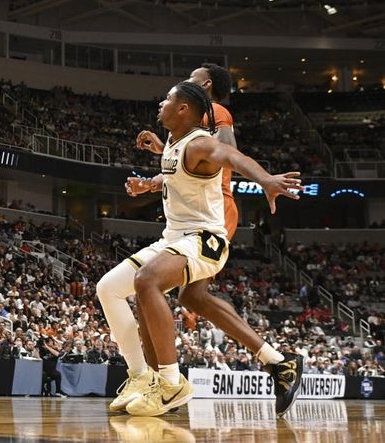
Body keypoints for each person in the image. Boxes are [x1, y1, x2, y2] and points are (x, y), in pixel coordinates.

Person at [96, 81, 302, 417]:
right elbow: (177, 173)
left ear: (183, 109)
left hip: (204, 239)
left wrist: (265, 179)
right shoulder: (175, 145)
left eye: (168, 98)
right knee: (108, 288)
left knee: (148, 281)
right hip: (174, 238)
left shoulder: (202, 139)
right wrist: (148, 183)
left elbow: (231, 154)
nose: (161, 101)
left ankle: (171, 382)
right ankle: (140, 376)